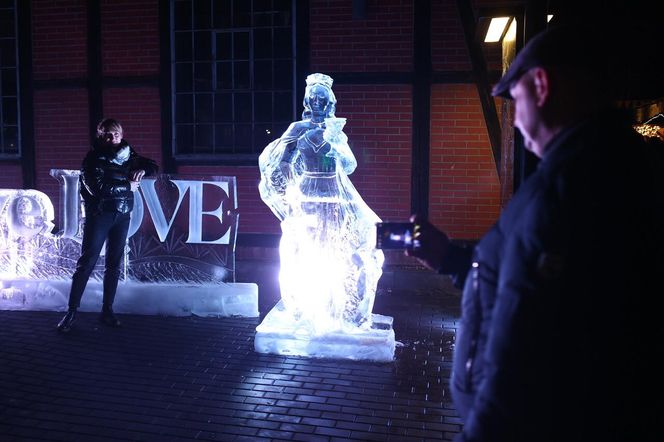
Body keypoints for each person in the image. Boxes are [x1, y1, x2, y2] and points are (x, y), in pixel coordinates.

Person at [407, 26, 663, 441]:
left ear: (541, 85)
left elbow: (522, 357)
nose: (516, 118)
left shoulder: (571, 187)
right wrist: (451, 259)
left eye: (516, 98)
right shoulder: (609, 165)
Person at [258, 73, 384, 333]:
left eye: (322, 98)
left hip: (333, 193)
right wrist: (291, 185)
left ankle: (334, 307)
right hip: (306, 193)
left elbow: (349, 166)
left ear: (329, 102)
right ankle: (305, 307)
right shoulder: (297, 128)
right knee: (306, 247)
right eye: (313, 97)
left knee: (333, 246)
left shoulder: (335, 130)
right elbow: (283, 160)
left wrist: (337, 142)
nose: (317, 102)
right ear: (307, 100)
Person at [57, 118, 158, 332]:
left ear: (122, 135)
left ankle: (107, 311)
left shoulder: (128, 154)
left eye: (116, 134)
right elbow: (98, 189)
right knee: (87, 262)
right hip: (100, 215)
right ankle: (71, 312)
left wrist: (143, 171)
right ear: (100, 135)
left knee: (114, 265)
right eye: (108, 135)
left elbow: (153, 165)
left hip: (122, 215)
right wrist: (128, 185)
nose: (113, 139)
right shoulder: (92, 159)